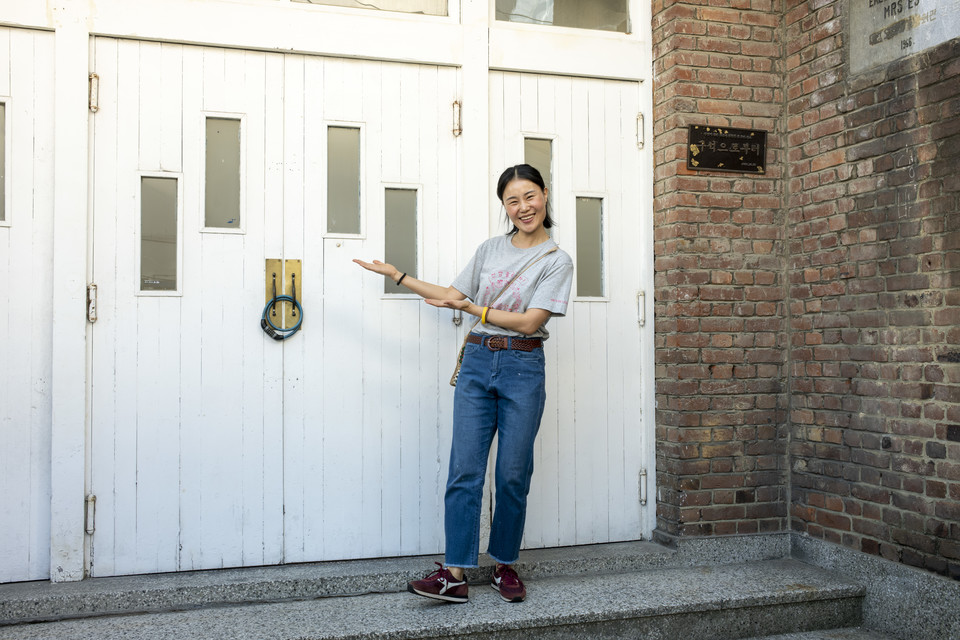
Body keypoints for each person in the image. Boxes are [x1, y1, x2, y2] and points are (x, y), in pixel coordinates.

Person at [353, 164, 573, 604]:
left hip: (522, 366)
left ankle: (504, 563)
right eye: (512, 201)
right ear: (504, 207)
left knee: (512, 473)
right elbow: (451, 295)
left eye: (529, 196)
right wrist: (398, 276)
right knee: (465, 470)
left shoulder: (557, 260)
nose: (523, 207)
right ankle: (454, 573)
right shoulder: (490, 249)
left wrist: (476, 310)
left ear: (545, 195)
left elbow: (531, 322)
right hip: (477, 360)